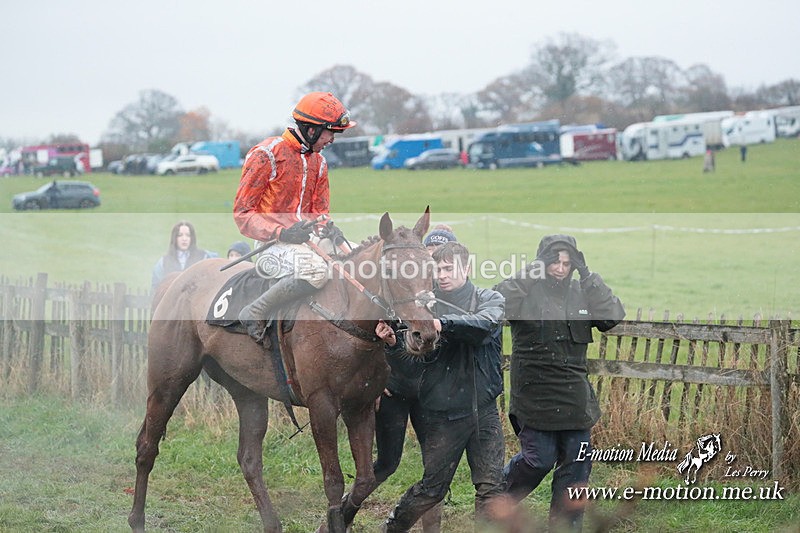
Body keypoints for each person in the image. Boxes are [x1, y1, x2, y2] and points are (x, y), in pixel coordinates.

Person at [493, 234, 625, 531]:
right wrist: (532, 270)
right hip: (534, 396)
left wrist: (588, 274)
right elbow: (498, 300)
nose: (561, 268)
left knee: (576, 469)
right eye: (554, 261)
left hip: (574, 399)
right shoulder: (525, 292)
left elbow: (612, 317)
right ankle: (495, 503)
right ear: (542, 262)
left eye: (567, 263)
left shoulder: (583, 292)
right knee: (538, 460)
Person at [379, 242, 506, 532]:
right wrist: (392, 345)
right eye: (438, 269)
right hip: (443, 416)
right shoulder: (421, 311)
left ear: (467, 268)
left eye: (449, 268)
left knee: (491, 489)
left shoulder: (488, 299)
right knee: (431, 490)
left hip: (484, 412)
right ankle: (392, 528)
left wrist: (441, 324)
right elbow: (412, 369)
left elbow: (483, 327)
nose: (443, 274)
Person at [233, 92, 356, 341]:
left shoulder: (319, 163)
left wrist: (330, 230)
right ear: (311, 129)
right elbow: (243, 214)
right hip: (271, 245)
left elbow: (319, 213)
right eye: (330, 132)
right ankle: (255, 311)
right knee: (317, 272)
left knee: (357, 259)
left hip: (306, 240)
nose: (332, 139)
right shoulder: (266, 155)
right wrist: (281, 232)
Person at [370, 227, 458, 532]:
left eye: (442, 258)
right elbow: (371, 339)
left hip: (433, 395)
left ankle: (429, 529)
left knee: (435, 467)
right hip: (396, 389)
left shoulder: (453, 300)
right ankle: (341, 514)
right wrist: (376, 375)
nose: (435, 263)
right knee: (385, 464)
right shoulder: (401, 292)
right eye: (431, 255)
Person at [151, 220, 217, 291]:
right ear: (175, 238)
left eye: (188, 235)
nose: (184, 239)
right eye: (180, 235)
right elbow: (156, 288)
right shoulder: (163, 262)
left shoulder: (204, 256)